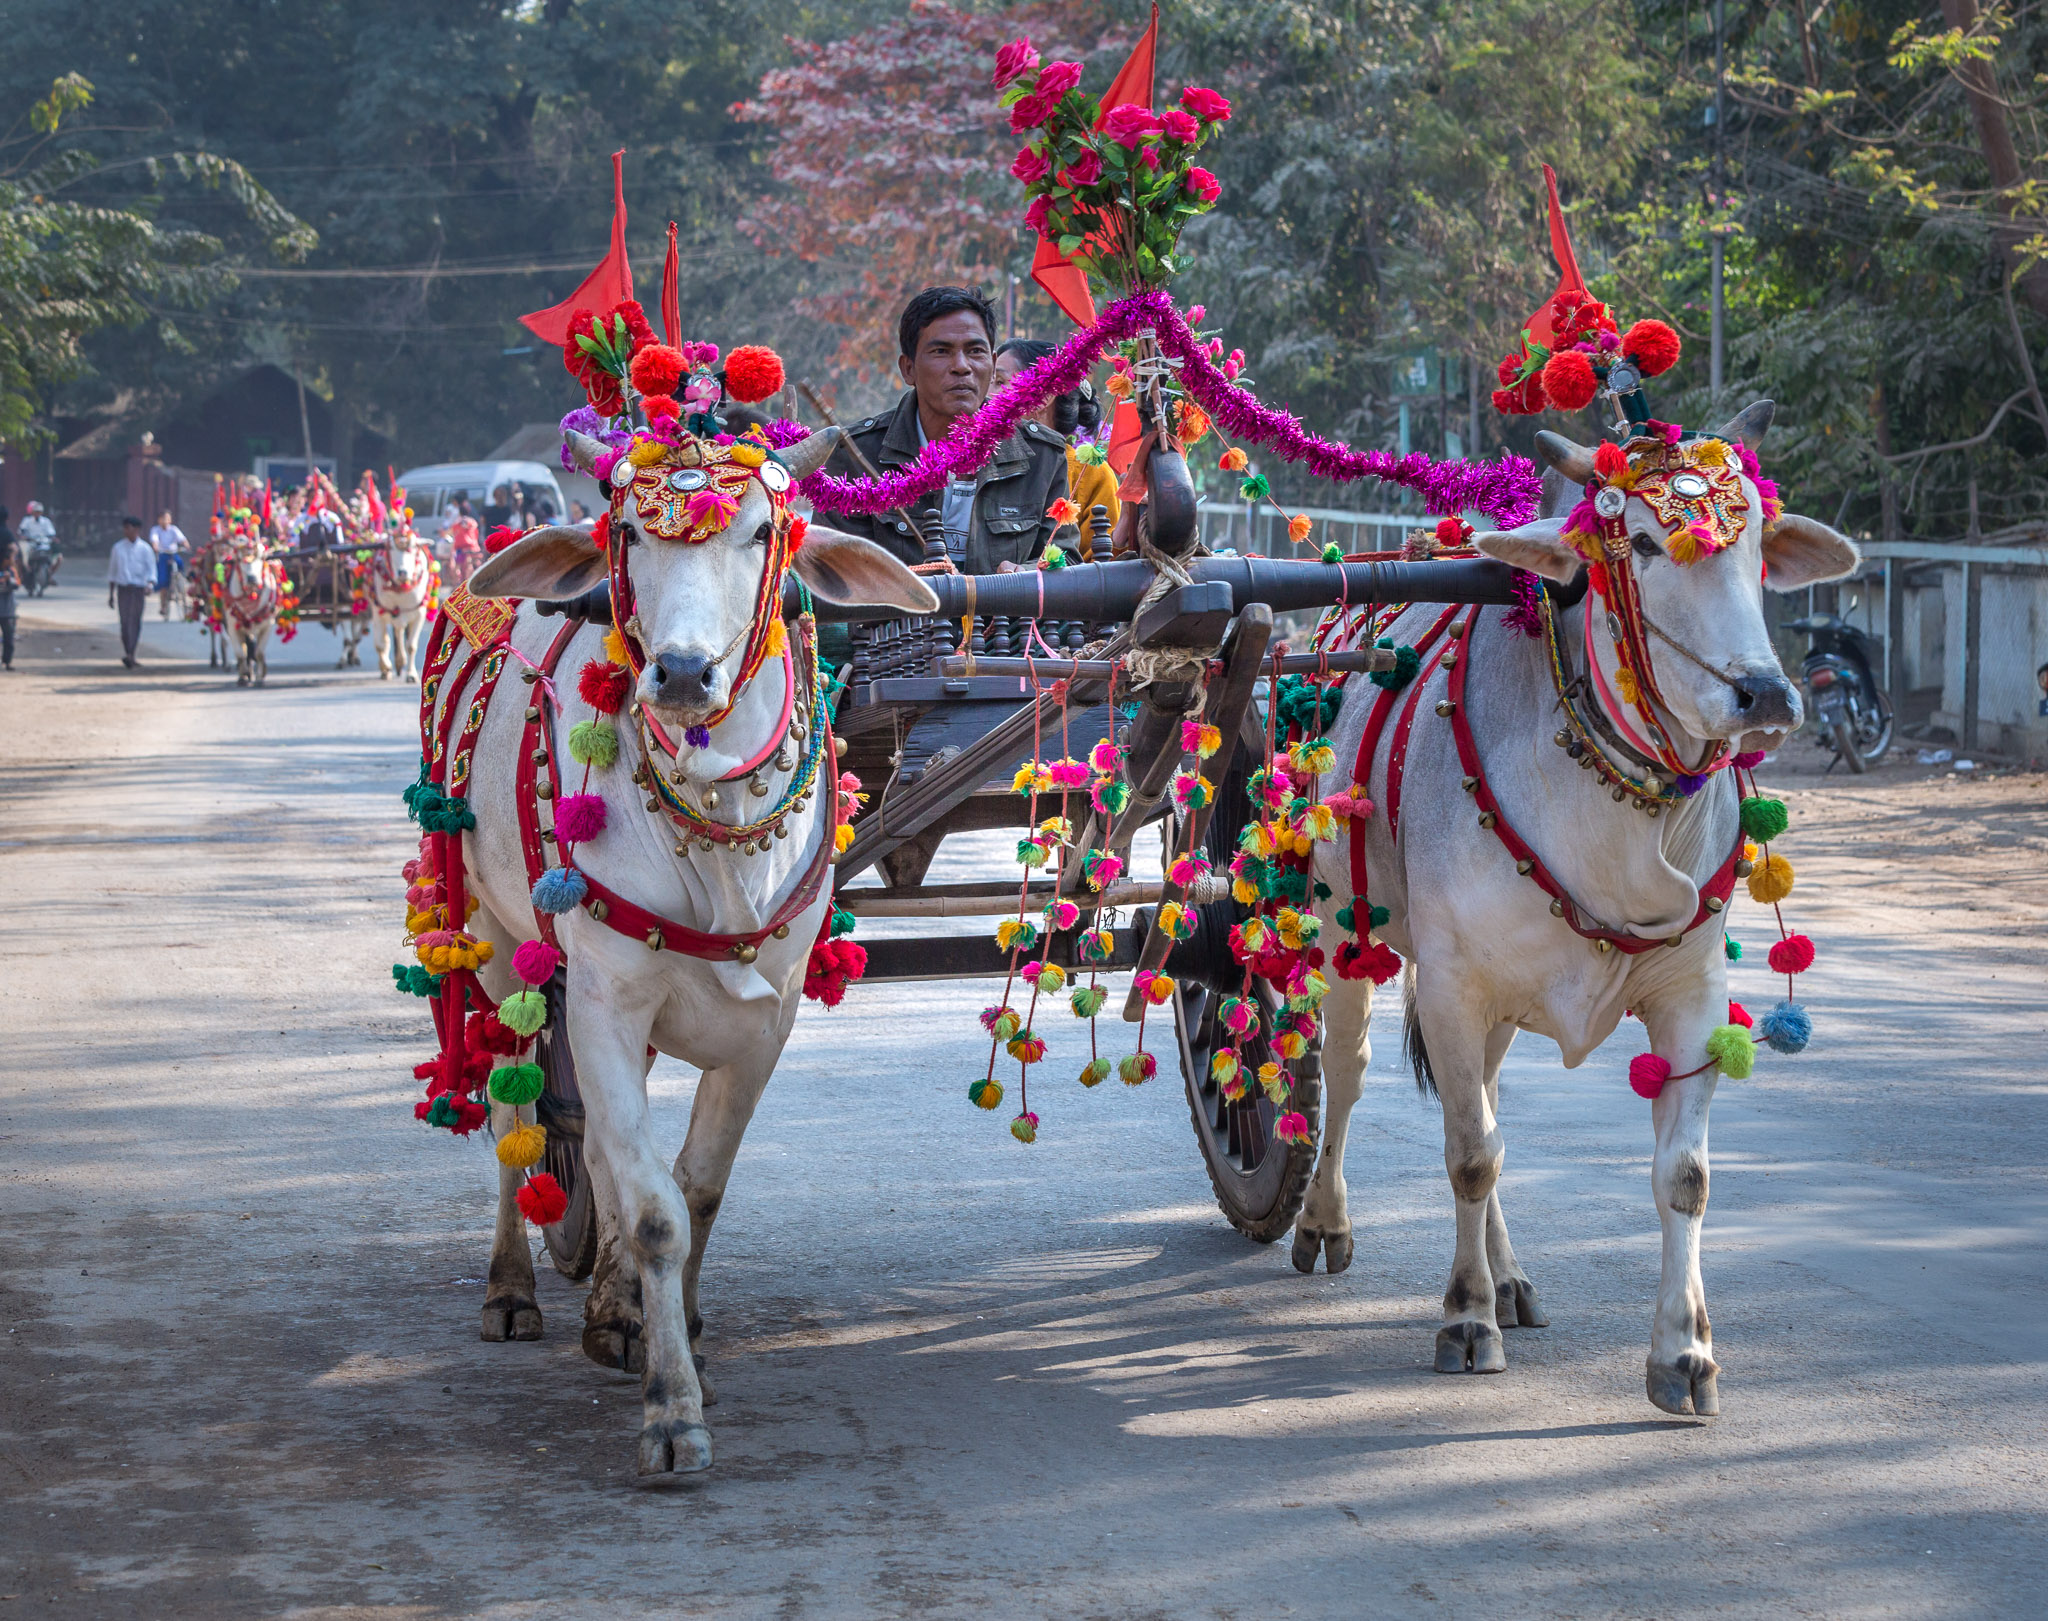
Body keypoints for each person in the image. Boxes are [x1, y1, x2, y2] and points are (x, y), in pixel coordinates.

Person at [822, 285, 1069, 572]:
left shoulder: (1042, 456)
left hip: (1006, 617)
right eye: (941, 351)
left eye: (975, 351)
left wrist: (1022, 576)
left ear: (991, 363)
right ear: (908, 369)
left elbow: (1065, 559)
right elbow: (832, 572)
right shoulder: (857, 455)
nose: (961, 367)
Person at [994, 338, 1119, 556]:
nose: (986, 395)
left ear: (1043, 398)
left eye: (999, 382)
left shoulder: (1093, 477)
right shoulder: (979, 462)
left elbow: (1102, 572)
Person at [108, 515, 156, 669]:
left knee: (135, 621)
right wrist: (111, 594)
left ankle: (131, 654)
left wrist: (149, 584)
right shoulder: (117, 548)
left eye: (129, 528)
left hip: (138, 589)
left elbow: (151, 570)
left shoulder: (145, 549)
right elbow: (112, 572)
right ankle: (128, 651)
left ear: (136, 530)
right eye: (125, 528)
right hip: (123, 589)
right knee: (124, 622)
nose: (126, 531)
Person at [150, 509, 189, 617]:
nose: (165, 521)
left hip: (173, 553)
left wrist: (186, 545)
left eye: (167, 518)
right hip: (163, 554)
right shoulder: (156, 530)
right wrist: (155, 547)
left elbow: (182, 539)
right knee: (163, 580)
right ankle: (163, 605)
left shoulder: (173, 530)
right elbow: (155, 540)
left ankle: (180, 582)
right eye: (163, 518)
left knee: (180, 565)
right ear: (159, 520)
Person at [19, 501, 57, 591]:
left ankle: (49, 574)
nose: (37, 513)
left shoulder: (46, 521)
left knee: (57, 558)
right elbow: (22, 530)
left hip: (43, 544)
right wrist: (24, 536)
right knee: (23, 554)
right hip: (31, 544)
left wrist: (52, 537)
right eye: (36, 511)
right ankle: (23, 571)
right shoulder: (27, 521)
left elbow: (51, 532)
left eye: (39, 512)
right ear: (32, 512)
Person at [0, 507, 18, 670]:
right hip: (5, 597)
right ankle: (7, 661)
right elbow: (13, 549)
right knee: (8, 630)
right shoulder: (7, 533)